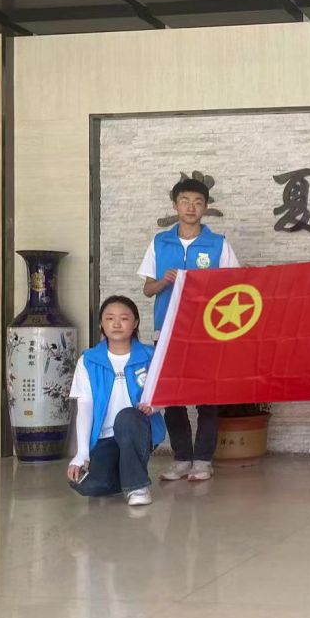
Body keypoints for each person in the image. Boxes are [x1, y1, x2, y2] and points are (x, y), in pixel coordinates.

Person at [139, 174, 240, 483]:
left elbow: (234, 287)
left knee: (208, 398)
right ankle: (182, 458)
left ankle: (203, 460)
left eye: (197, 202)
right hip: (167, 332)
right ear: (175, 206)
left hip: (208, 333)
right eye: (185, 201)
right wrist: (164, 281)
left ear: (205, 207)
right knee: (173, 397)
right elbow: (147, 289)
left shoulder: (218, 244)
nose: (191, 207)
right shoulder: (160, 242)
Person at [67, 296, 167, 507]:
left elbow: (168, 392)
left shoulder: (151, 356)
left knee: (127, 417)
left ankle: (137, 487)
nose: (116, 324)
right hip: (105, 437)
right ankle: (124, 477)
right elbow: (85, 406)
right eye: (110, 318)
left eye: (124, 318)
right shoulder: (88, 360)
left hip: (139, 431)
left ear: (135, 323)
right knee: (89, 486)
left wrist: (154, 406)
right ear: (102, 324)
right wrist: (82, 453)